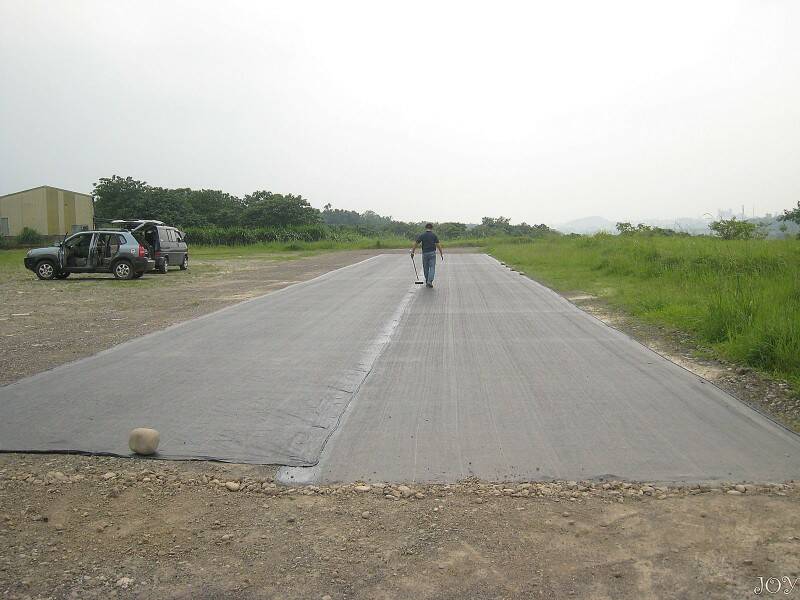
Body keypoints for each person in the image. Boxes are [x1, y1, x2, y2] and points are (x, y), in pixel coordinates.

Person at [411, 223, 444, 287]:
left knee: (425, 268)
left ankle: (427, 280)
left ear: (426, 228)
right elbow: (438, 245)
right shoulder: (434, 235)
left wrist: (412, 252)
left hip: (425, 253)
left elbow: (416, 243)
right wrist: (441, 253)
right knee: (432, 267)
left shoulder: (422, 235)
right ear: (432, 228)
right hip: (432, 253)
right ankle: (429, 281)